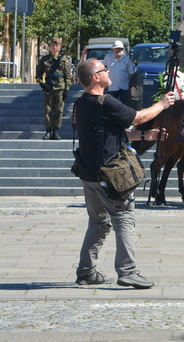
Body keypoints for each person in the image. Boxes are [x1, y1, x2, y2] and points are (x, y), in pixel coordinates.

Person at [73, 58, 174, 289]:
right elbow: (139, 117)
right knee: (124, 220)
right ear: (95, 77)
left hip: (89, 173)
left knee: (97, 223)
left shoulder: (83, 102)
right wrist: (162, 104)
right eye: (104, 69)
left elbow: (108, 133)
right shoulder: (105, 102)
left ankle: (86, 271)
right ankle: (127, 271)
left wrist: (145, 137)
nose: (108, 71)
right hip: (109, 175)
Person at [36, 37, 72, 140]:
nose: (55, 47)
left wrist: (67, 90)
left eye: (57, 45)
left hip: (60, 88)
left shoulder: (64, 60)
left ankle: (56, 131)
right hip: (49, 89)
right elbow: (38, 75)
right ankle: (48, 131)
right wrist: (42, 84)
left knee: (59, 111)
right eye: (53, 45)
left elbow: (67, 76)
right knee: (47, 111)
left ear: (60, 46)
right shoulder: (44, 60)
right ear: (50, 46)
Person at [102, 40, 135, 106]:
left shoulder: (127, 59)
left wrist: (131, 85)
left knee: (124, 105)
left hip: (124, 86)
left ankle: (123, 116)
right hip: (112, 86)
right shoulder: (108, 57)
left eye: (120, 48)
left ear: (122, 49)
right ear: (113, 49)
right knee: (112, 105)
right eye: (116, 48)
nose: (118, 50)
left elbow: (131, 73)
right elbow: (102, 69)